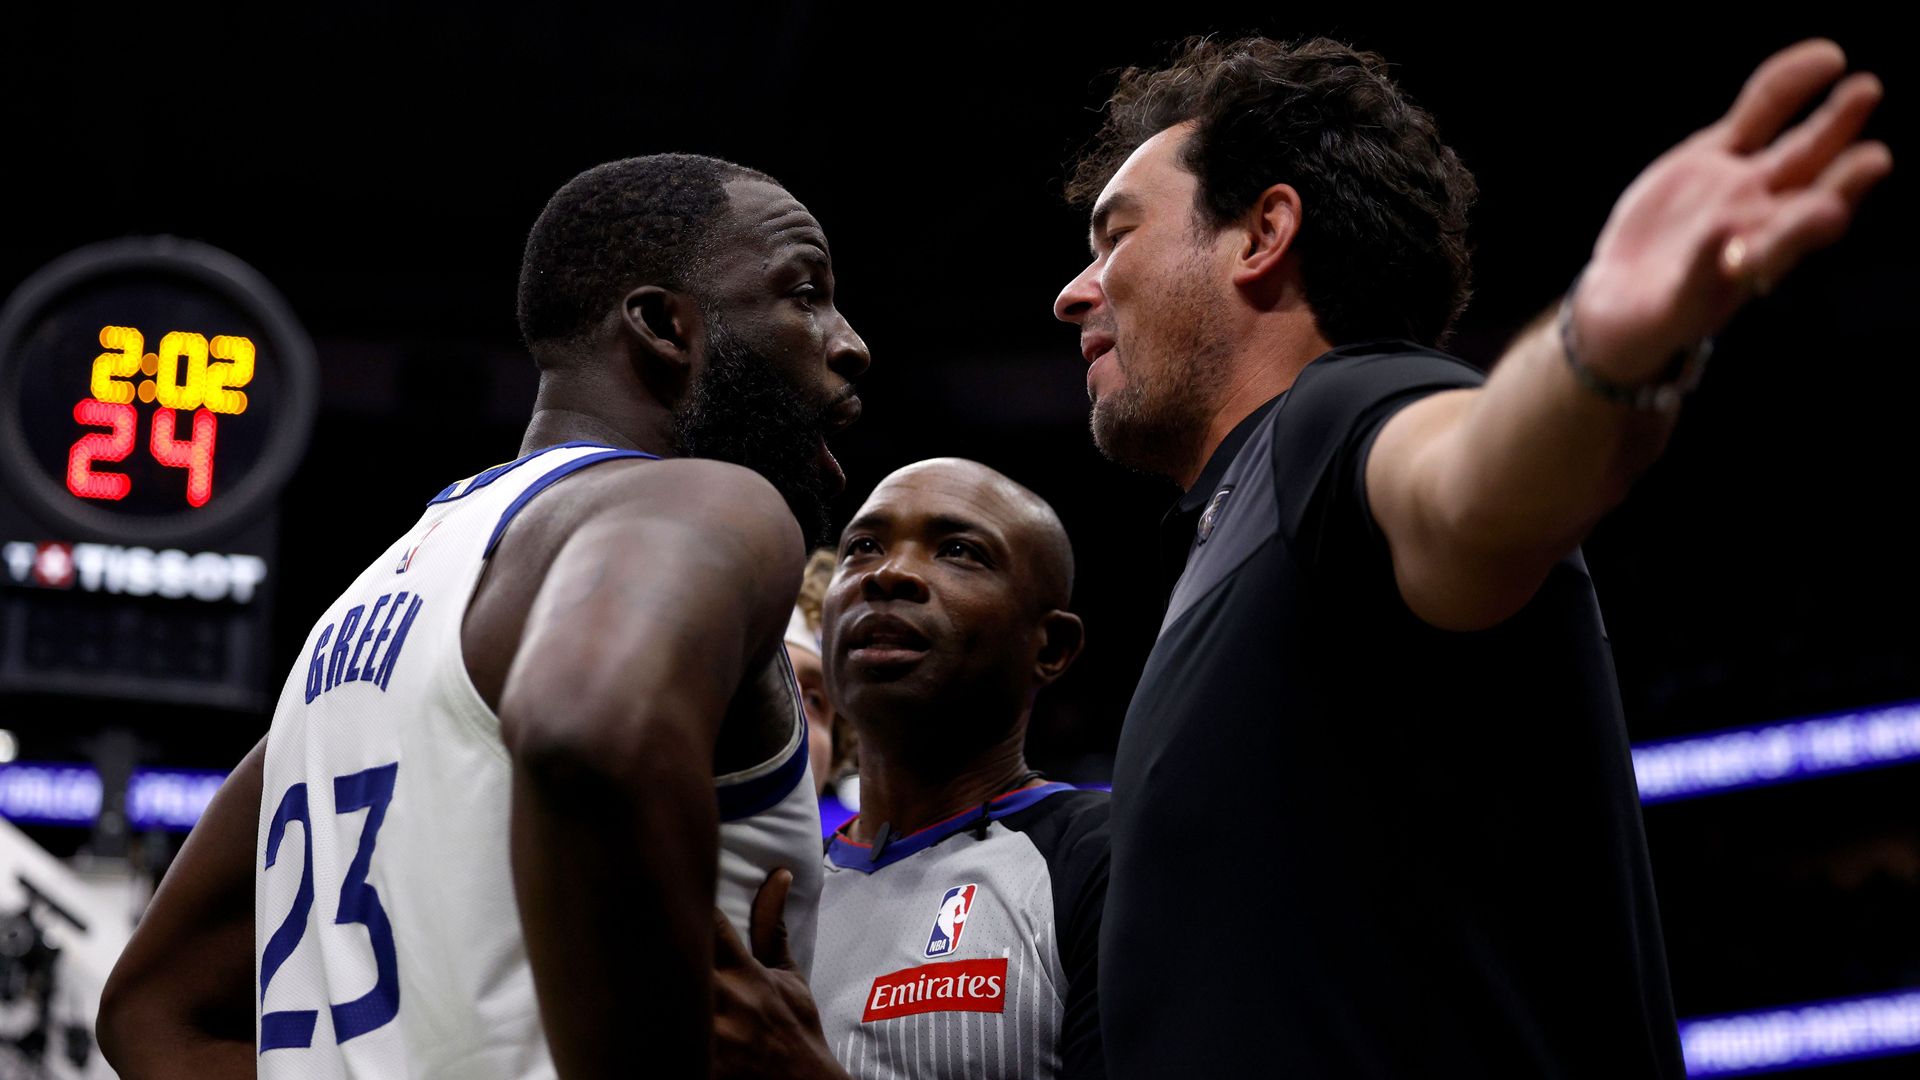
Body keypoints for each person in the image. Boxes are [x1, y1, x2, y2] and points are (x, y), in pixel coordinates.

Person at [1051, 36, 1889, 1078]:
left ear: (1262, 233)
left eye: (1113, 239)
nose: (1074, 293)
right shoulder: (1242, 522)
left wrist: (1601, 347)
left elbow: (1468, 491)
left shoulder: (1338, 410)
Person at [96, 152, 871, 1079]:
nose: (849, 340)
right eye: (807, 293)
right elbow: (589, 731)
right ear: (669, 326)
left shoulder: (364, 605)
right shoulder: (708, 503)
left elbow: (150, 1013)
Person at [712, 458, 1109, 1080]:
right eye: (863, 547)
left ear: (1051, 647)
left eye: (958, 551)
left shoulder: (1114, 859)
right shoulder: (766, 893)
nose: (889, 573)